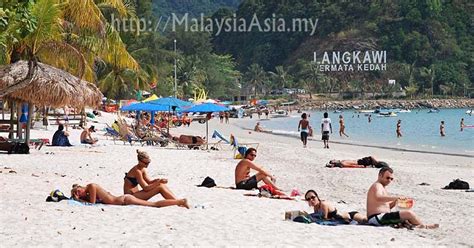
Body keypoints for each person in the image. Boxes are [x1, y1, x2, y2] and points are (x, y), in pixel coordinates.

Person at [366, 167, 438, 229]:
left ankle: (416, 226)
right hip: (377, 218)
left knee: (404, 216)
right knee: (408, 213)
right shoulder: (377, 185)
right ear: (380, 175)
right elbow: (378, 198)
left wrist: (396, 201)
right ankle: (424, 226)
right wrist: (396, 197)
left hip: (380, 217)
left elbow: (386, 206)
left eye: (391, 179)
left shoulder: (382, 187)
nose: (389, 181)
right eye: (387, 178)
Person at [123, 150, 188, 206]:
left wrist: (158, 180)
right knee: (160, 187)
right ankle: (178, 202)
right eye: (146, 163)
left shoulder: (142, 169)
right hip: (131, 197)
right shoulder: (137, 171)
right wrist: (158, 182)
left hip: (136, 195)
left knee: (161, 185)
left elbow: (149, 182)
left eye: (148, 162)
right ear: (139, 161)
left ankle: (178, 201)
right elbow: (146, 188)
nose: (147, 165)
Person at [71, 183, 189, 208]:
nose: (78, 194)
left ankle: (180, 202)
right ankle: (179, 202)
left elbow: (92, 204)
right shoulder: (88, 191)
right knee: (154, 204)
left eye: (77, 191)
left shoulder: (91, 186)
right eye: (76, 194)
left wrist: (79, 200)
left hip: (124, 200)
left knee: (154, 205)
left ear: (80, 187)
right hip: (124, 199)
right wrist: (81, 198)